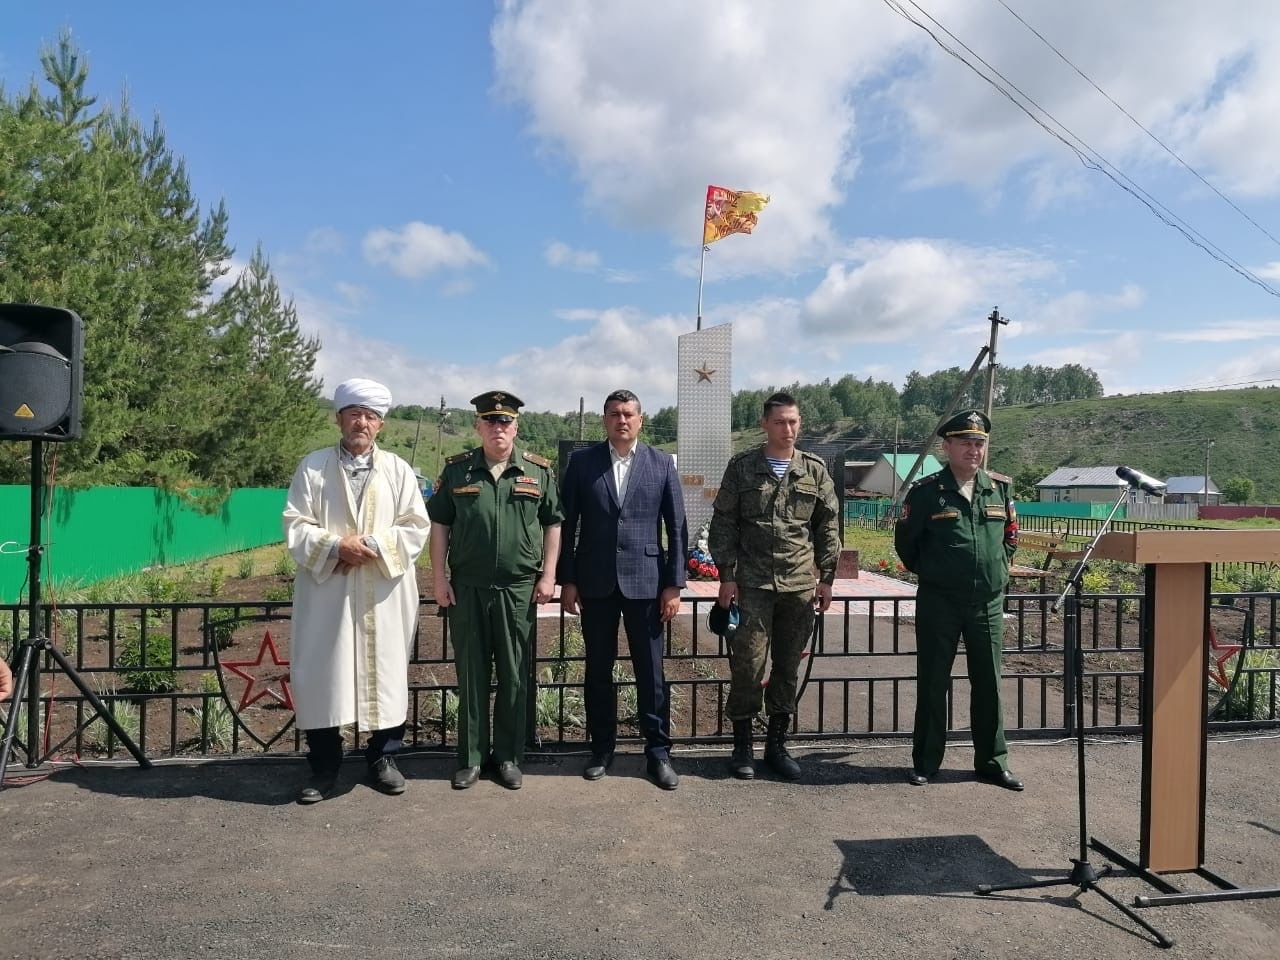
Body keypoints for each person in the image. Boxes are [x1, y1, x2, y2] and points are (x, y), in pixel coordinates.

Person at [283, 378, 430, 804]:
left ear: (380, 424)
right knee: (324, 670)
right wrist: (335, 547)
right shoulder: (312, 467)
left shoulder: (400, 470)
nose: (360, 423)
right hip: (329, 589)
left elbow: (415, 525)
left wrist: (373, 546)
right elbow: (295, 524)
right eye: (353, 415)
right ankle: (324, 766)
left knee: (385, 669)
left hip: (382, 590)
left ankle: (383, 758)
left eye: (369, 416)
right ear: (339, 419)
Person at [428, 391, 563, 791]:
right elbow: (440, 527)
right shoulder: (457, 472)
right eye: (489, 421)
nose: (497, 428)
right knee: (470, 673)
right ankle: (470, 758)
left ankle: (507, 756)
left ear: (516, 426)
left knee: (514, 674)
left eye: (504, 421)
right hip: (467, 588)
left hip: (517, 589)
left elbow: (554, 522)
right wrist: (438, 578)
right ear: (478, 426)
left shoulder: (538, 472)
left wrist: (549, 574)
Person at [557, 389, 688, 790]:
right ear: (604, 420)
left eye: (629, 414)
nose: (622, 420)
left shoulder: (661, 463)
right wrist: (569, 580)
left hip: (646, 584)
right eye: (614, 414)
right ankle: (601, 748)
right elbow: (566, 525)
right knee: (598, 670)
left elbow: (676, 528)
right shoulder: (582, 463)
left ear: (641, 419)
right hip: (596, 583)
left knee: (651, 673)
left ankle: (658, 753)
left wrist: (674, 584)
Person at [709, 391, 840, 781]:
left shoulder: (814, 470)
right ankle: (743, 747)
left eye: (794, 422)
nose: (788, 429)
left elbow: (828, 525)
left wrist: (827, 578)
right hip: (751, 586)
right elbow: (724, 523)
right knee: (748, 667)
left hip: (799, 586)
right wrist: (726, 576)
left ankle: (777, 746)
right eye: (781, 422)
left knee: (786, 667)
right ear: (764, 424)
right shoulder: (743, 468)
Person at [894, 410, 1023, 791]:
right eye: (965, 442)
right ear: (946, 446)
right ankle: (926, 762)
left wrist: (994, 569)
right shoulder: (926, 492)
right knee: (933, 682)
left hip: (986, 602)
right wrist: (939, 573)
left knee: (990, 683)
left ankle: (992, 762)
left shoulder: (999, 489)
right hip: (940, 601)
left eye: (979, 443)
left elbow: (1010, 538)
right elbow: (907, 545)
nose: (973, 449)